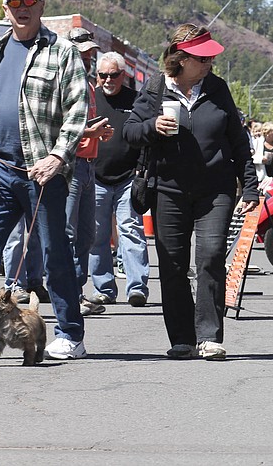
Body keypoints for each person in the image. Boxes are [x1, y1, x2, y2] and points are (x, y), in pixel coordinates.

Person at [0, 0, 90, 361]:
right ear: (5, 9)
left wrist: (58, 156)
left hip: (43, 173)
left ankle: (70, 334)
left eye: (29, 1)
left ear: (40, 6)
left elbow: (77, 109)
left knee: (56, 256)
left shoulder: (63, 53)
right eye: (15, 2)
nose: (22, 8)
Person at [123, 24, 259, 360]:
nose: (210, 62)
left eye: (211, 56)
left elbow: (239, 142)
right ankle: (182, 337)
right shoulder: (155, 90)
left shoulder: (218, 89)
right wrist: (151, 128)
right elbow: (129, 132)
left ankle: (209, 335)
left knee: (211, 256)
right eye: (203, 57)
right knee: (172, 264)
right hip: (168, 190)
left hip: (216, 190)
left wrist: (251, 185)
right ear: (180, 59)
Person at [89, 52, 150, 307]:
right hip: (96, 177)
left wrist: (140, 169)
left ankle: (137, 288)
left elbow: (146, 138)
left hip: (128, 179)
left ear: (122, 75)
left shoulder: (136, 101)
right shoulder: (90, 99)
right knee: (97, 235)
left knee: (131, 231)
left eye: (113, 75)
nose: (107, 80)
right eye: (102, 75)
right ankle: (104, 288)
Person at [65, 28, 114, 317]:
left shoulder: (89, 83)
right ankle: (69, 294)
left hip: (87, 165)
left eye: (89, 49)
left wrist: (99, 134)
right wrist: (89, 132)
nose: (87, 54)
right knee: (69, 234)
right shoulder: (63, 81)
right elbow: (58, 126)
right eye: (81, 49)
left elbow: (85, 125)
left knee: (86, 235)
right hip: (69, 164)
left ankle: (78, 291)